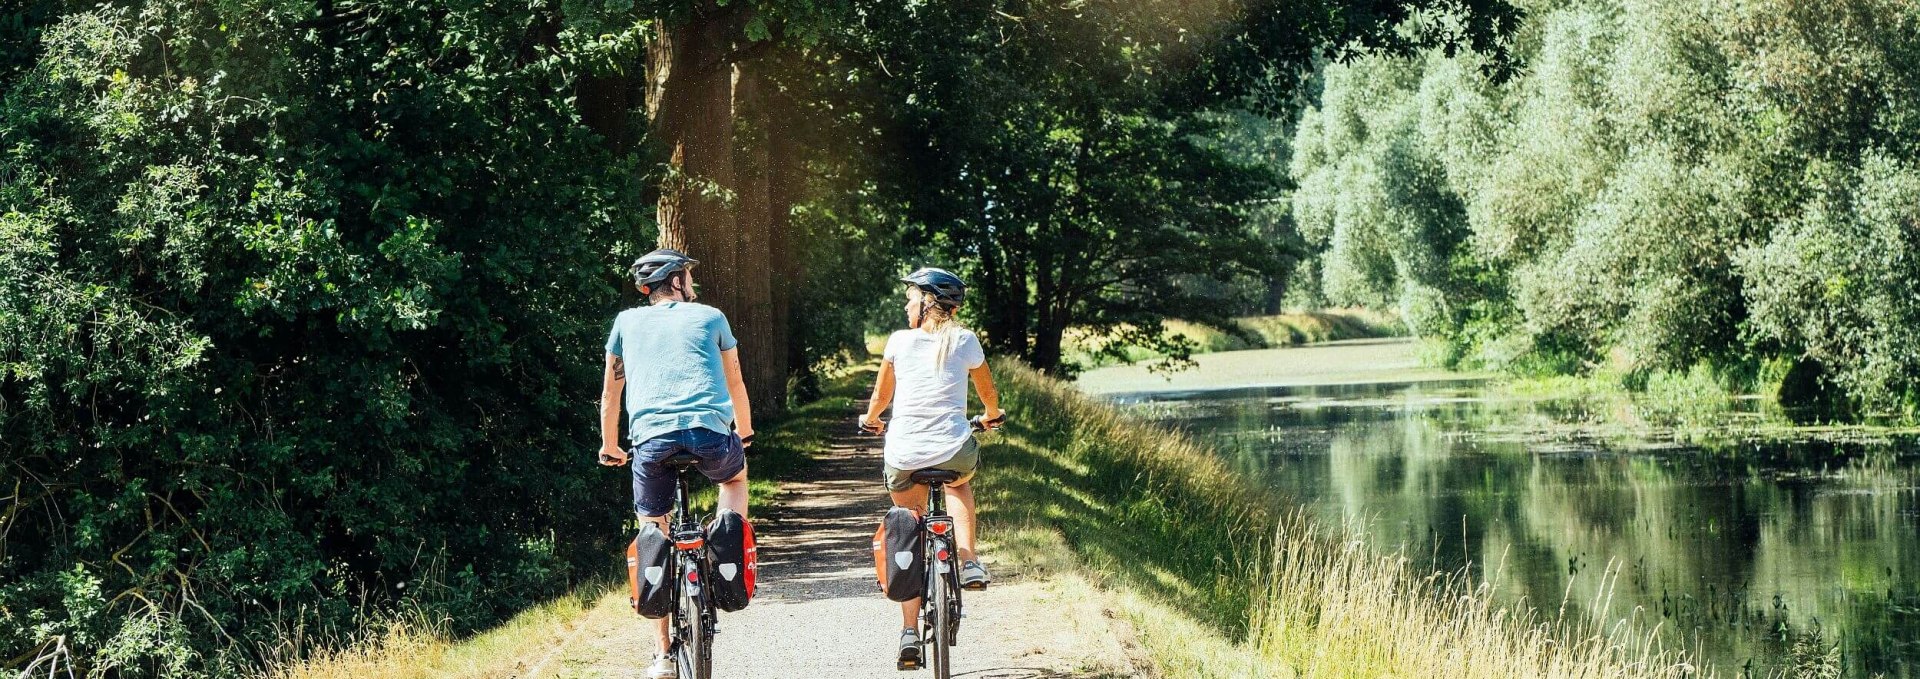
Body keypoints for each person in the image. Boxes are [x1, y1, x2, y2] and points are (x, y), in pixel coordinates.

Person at [598, 248, 754, 679]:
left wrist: (610, 444)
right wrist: (744, 431)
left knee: (653, 527)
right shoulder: (711, 316)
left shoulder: (625, 323)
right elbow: (734, 379)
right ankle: (727, 550)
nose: (692, 283)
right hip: (710, 435)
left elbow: (612, 394)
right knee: (735, 479)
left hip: (650, 442)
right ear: (679, 282)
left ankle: (663, 654)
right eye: (688, 275)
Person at [858, 267, 1005, 665]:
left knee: (908, 523)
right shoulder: (965, 340)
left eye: (911, 297)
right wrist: (991, 415)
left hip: (904, 456)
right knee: (958, 484)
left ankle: (908, 631)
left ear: (926, 303)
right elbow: (988, 393)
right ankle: (968, 560)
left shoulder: (898, 343)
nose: (907, 304)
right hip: (954, 449)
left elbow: (880, 398)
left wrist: (871, 421)